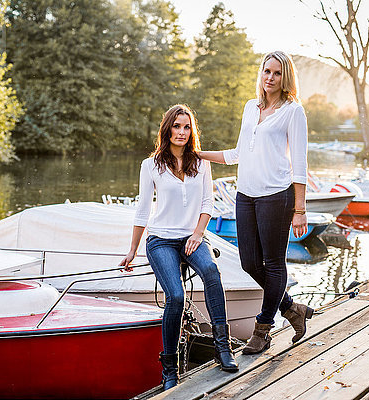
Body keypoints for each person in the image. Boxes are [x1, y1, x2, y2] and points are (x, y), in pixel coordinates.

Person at [199, 51, 314, 354]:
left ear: (285, 77)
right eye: (267, 71)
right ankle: (292, 308)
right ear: (260, 73)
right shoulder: (251, 108)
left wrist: (299, 210)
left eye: (277, 73)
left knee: (274, 263)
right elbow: (237, 154)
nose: (270, 78)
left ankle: (263, 328)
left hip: (277, 195)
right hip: (245, 195)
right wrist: (198, 154)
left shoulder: (293, 112)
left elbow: (300, 163)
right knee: (249, 262)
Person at [120, 104, 238, 391]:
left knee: (211, 271)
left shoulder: (201, 163)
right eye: (176, 126)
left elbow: (208, 204)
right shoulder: (151, 166)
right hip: (160, 240)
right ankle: (169, 368)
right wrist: (133, 249)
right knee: (175, 295)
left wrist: (198, 234)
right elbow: (142, 210)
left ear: (191, 131)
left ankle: (223, 348)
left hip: (192, 237)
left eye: (187, 127)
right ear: (167, 129)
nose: (181, 132)